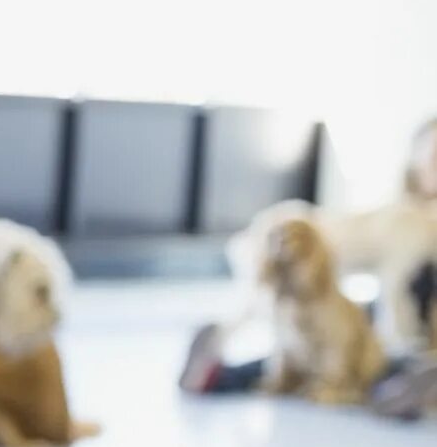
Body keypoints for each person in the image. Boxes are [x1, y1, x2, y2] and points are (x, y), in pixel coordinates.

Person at [181, 115, 437, 413]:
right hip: (309, 265)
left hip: (408, 332)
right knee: (338, 337)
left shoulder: (408, 219)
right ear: (416, 164)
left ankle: (219, 373)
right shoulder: (408, 221)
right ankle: (396, 379)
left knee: (335, 344)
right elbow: (392, 291)